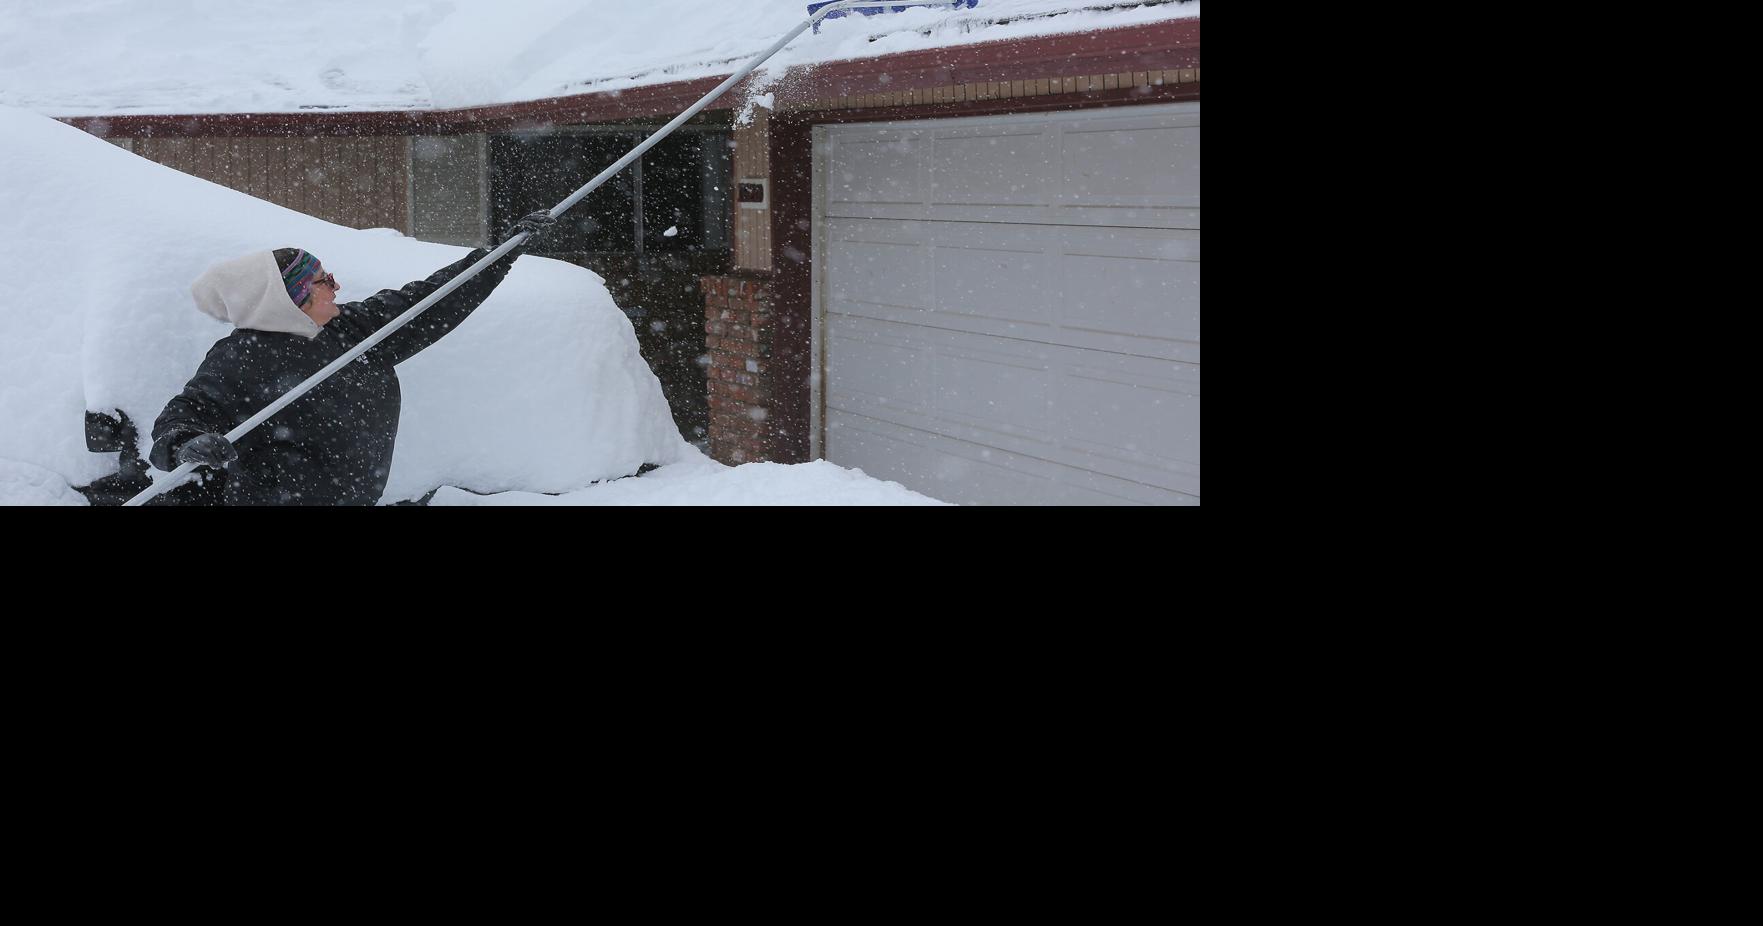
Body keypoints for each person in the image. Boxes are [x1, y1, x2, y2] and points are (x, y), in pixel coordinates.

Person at [148, 211, 557, 505]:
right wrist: (187, 443)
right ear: (290, 296)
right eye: (323, 280)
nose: (336, 285)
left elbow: (432, 301)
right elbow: (183, 417)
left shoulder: (352, 330)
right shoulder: (240, 356)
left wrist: (500, 254)